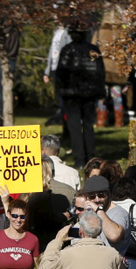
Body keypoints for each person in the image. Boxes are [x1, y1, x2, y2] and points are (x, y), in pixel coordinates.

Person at [56, 28, 106, 169]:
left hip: (72, 94)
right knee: (88, 126)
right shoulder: (92, 50)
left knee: (75, 127)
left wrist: (61, 90)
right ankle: (90, 157)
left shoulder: (67, 50)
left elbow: (61, 73)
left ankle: (79, 160)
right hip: (89, 93)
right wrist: (99, 91)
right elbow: (100, 72)